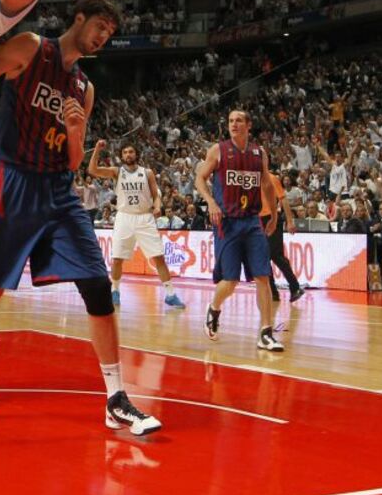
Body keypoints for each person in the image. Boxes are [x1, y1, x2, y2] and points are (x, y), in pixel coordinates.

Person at [0, 0, 160, 435]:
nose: (103, 36)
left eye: (110, 33)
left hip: (59, 190)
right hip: (14, 181)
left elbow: (74, 160)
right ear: (79, 18)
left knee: (97, 285)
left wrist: (76, 131)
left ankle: (116, 398)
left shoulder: (84, 88)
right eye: (100, 26)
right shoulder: (31, 48)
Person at [194, 110, 284, 351]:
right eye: (231, 121)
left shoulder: (259, 153)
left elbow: (267, 185)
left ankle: (265, 332)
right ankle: (214, 307)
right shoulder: (218, 150)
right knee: (231, 281)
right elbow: (199, 178)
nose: (234, 124)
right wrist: (210, 202)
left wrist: (274, 215)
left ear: (248, 125)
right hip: (228, 222)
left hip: (252, 221)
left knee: (263, 276)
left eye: (239, 121)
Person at [86, 140, 185, 310]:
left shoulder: (147, 173)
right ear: (121, 156)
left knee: (159, 257)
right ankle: (115, 291)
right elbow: (92, 170)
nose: (128, 155)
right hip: (124, 217)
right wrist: (96, 149)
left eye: (131, 151)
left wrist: (158, 207)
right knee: (117, 258)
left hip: (144, 217)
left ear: (136, 154)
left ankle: (170, 294)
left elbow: (156, 195)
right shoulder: (117, 172)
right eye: (125, 152)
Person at [259, 170, 302, 304]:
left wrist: (290, 221)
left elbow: (283, 199)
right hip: (256, 220)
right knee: (262, 258)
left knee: (275, 255)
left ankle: (295, 287)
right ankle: (273, 292)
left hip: (272, 218)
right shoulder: (251, 178)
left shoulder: (272, 178)